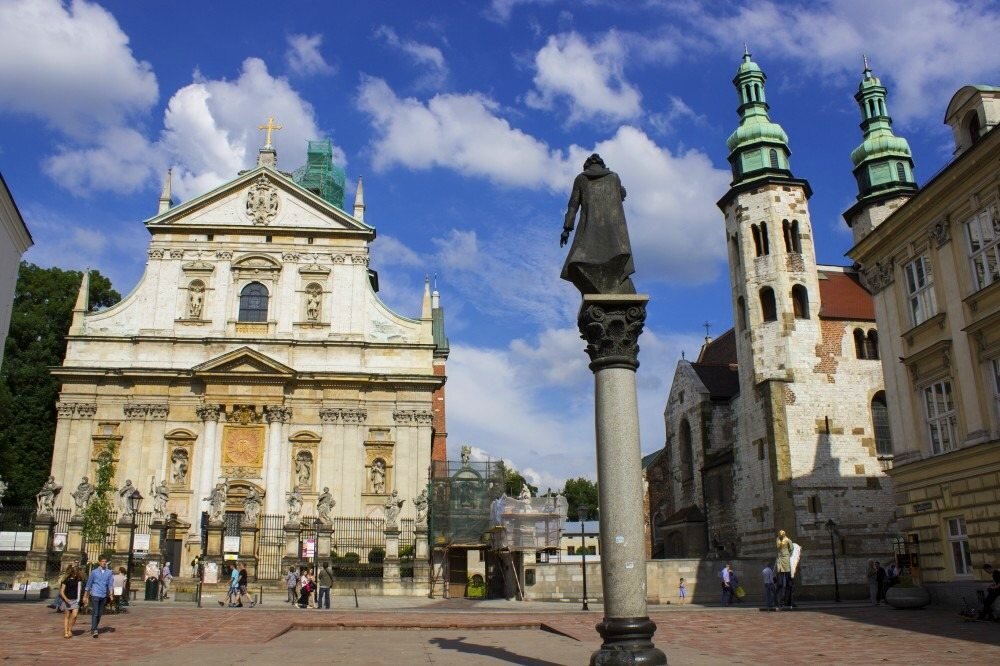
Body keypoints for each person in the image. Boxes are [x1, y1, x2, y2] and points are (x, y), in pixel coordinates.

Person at [560, 153, 635, 295]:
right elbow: (622, 195)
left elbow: (573, 206)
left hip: (589, 231)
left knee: (578, 261)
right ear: (602, 165)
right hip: (613, 234)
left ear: (587, 166)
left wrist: (567, 228)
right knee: (615, 259)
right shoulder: (614, 177)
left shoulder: (581, 179)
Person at [83, 556, 115, 638]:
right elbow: (89, 584)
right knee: (95, 613)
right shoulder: (94, 572)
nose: (104, 563)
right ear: (99, 562)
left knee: (100, 613)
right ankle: (95, 629)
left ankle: (94, 627)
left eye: (105, 561)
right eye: (102, 561)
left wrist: (111, 594)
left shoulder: (109, 572)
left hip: (103, 595)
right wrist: (85, 596)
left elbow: (110, 584)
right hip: (95, 594)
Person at [59, 565, 83, 639]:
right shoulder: (66, 580)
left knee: (75, 616)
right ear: (71, 572)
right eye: (75, 572)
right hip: (68, 600)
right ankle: (66, 632)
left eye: (77, 572)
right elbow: (61, 591)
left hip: (75, 600)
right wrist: (65, 599)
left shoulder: (78, 580)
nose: (76, 574)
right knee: (67, 616)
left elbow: (80, 589)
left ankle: (70, 628)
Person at [775, 530, 793, 608]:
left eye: (782, 535)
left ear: (784, 535)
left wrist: (788, 556)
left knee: (789, 582)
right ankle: (779, 601)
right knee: (780, 583)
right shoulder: (777, 540)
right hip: (779, 560)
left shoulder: (788, 540)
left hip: (786, 559)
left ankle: (788, 601)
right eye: (780, 535)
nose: (781, 536)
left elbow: (791, 549)